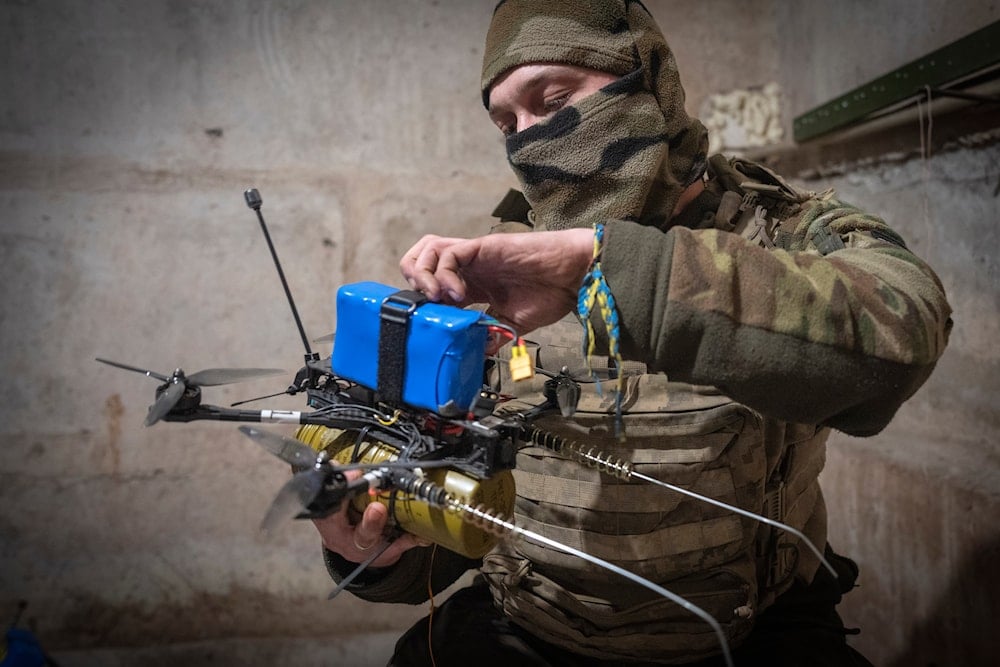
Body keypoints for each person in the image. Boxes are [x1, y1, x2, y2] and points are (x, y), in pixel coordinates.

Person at [313, 1, 953, 665]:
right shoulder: (500, 279)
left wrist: (607, 270)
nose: (529, 140)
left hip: (744, 637)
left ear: (650, 82)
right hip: (524, 630)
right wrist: (373, 546)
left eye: (553, 97)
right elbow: (449, 532)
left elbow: (903, 334)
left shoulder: (783, 231)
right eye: (507, 123)